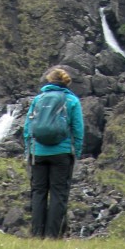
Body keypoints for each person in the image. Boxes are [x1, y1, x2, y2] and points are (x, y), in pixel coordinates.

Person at [23, 66, 84, 239]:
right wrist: (76, 152)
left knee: (38, 192)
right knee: (58, 193)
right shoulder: (71, 100)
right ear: (67, 82)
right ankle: (52, 236)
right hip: (62, 153)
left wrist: (29, 150)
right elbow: (78, 129)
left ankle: (36, 234)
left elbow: (28, 127)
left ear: (49, 81)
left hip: (39, 153)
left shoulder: (38, 99)